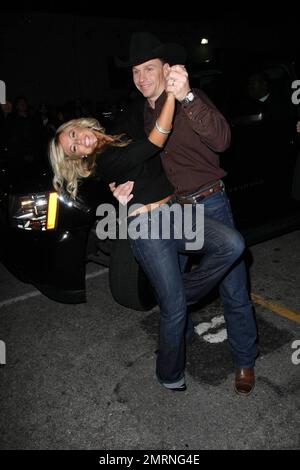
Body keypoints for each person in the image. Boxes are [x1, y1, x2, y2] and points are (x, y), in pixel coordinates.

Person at [49, 79, 245, 392]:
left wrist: (161, 83)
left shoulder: (120, 132)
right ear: (74, 159)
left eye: (74, 134)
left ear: (78, 125)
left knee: (232, 244)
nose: (80, 142)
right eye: (73, 149)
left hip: (176, 212)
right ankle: (169, 374)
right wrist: (171, 90)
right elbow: (154, 142)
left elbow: (142, 106)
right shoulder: (103, 162)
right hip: (147, 223)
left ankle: (182, 293)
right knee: (174, 308)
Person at [111, 31, 258, 395]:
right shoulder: (139, 114)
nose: (142, 77)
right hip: (173, 209)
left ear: (167, 69)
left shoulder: (190, 98)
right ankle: (185, 327)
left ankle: (244, 360)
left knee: (234, 288)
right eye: (135, 71)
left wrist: (188, 96)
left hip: (210, 202)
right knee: (169, 288)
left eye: (149, 68)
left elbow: (223, 140)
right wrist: (119, 183)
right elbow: (122, 155)